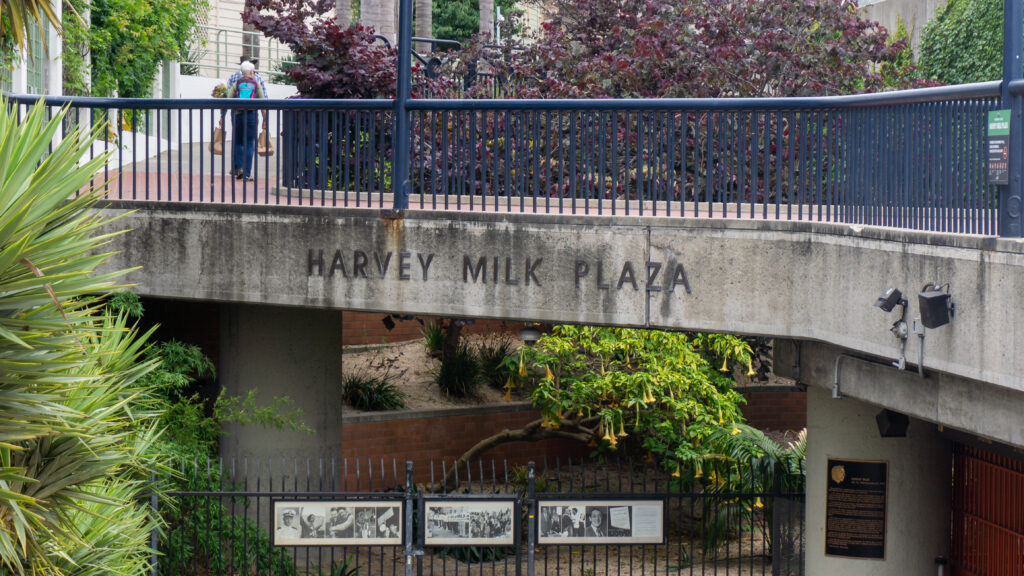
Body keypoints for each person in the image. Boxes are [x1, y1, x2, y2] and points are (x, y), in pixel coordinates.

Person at [224, 61, 267, 181]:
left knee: (238, 142)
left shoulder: (236, 81)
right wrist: (265, 119)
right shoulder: (256, 82)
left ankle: (239, 169)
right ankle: (247, 173)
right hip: (251, 115)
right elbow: (264, 100)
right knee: (249, 143)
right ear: (252, 72)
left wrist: (222, 116)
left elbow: (228, 98)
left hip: (237, 115)